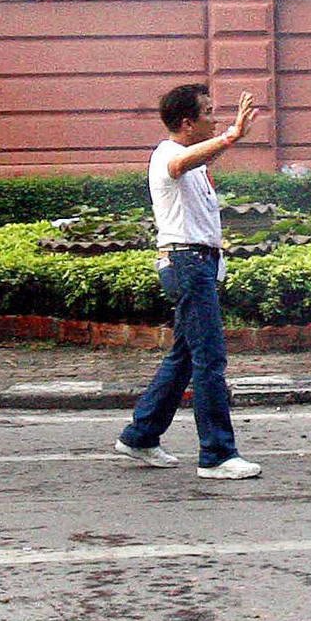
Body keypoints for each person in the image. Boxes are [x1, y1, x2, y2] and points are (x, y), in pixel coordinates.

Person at [116, 85, 262, 480]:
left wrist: (226, 140)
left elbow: (200, 163)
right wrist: (231, 135)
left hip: (197, 263)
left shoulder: (196, 163)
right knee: (209, 358)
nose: (215, 119)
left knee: (184, 357)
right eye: (209, 113)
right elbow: (182, 163)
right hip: (186, 263)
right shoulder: (168, 157)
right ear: (187, 123)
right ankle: (216, 454)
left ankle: (141, 435)